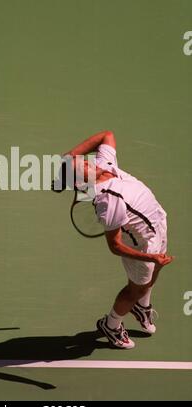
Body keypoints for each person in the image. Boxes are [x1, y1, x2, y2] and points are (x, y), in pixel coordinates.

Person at [53, 130, 174, 349]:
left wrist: (67, 157)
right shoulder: (107, 201)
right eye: (85, 165)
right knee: (135, 288)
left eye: (84, 159)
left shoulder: (104, 164)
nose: (91, 162)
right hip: (141, 244)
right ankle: (112, 324)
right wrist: (150, 256)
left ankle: (141, 306)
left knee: (154, 273)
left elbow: (106, 135)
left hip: (157, 224)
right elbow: (115, 245)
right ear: (84, 179)